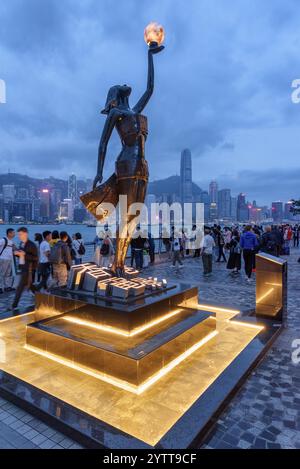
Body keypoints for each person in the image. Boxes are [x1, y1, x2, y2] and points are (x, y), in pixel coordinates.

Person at [11, 227, 38, 310]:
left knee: (20, 287)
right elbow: (22, 254)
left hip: (28, 269)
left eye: (20, 234)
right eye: (18, 234)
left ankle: (14, 305)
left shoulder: (32, 245)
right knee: (31, 286)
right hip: (23, 267)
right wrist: (16, 253)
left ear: (26, 234)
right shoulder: (22, 243)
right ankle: (41, 297)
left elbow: (35, 258)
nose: (19, 236)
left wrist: (24, 254)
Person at [0, 228, 16, 294]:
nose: (14, 234)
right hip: (3, 259)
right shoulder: (3, 240)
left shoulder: (11, 241)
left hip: (9, 259)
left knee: (8, 274)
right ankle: (0, 287)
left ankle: (7, 287)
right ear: (9, 233)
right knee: (1, 274)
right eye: (13, 233)